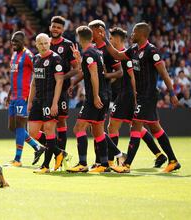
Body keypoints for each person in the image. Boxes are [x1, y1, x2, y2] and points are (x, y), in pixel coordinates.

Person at [101, 22, 181, 173]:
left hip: (149, 95)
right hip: (142, 95)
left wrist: (171, 93)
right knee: (155, 127)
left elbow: (163, 73)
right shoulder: (134, 50)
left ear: (142, 34)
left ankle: (126, 165)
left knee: (136, 126)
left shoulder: (152, 51)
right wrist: (105, 39)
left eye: (134, 33)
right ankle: (173, 160)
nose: (131, 35)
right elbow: (117, 55)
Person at [66, 26, 121, 173]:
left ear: (79, 38)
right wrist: (79, 60)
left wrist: (95, 95)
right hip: (104, 95)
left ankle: (82, 163)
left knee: (78, 128)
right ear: (91, 38)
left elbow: (95, 75)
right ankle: (104, 164)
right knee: (98, 131)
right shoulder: (96, 52)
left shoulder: (90, 53)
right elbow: (91, 71)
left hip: (94, 97)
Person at [87, 20, 126, 168]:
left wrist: (104, 76)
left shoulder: (108, 50)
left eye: (92, 30)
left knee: (96, 128)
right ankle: (105, 159)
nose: (90, 33)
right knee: (95, 129)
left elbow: (119, 72)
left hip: (103, 93)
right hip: (94, 92)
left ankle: (104, 160)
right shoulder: (94, 49)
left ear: (99, 31)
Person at [28, 33, 68, 173]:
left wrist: (55, 103)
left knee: (49, 130)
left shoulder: (56, 59)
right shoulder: (36, 58)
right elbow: (33, 83)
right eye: (41, 43)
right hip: (38, 100)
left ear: (50, 43)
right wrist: (29, 101)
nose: (43, 46)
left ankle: (45, 166)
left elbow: (60, 82)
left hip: (50, 100)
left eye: (46, 43)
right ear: (36, 45)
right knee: (32, 132)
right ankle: (58, 152)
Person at [6, 31, 46, 167]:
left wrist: (35, 93)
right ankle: (37, 147)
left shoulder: (29, 56)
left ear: (23, 42)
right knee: (13, 127)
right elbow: (14, 76)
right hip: (13, 97)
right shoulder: (14, 55)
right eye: (12, 42)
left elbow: (38, 73)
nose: (13, 44)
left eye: (16, 42)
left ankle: (17, 159)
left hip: (23, 96)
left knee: (20, 126)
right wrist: (9, 93)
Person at [49, 16, 79, 151]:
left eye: (59, 27)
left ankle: (61, 154)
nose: (55, 29)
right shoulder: (44, 43)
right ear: (50, 27)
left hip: (62, 89)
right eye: (54, 26)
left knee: (61, 120)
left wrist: (62, 78)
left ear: (63, 29)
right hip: (46, 90)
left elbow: (77, 69)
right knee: (46, 123)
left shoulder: (68, 45)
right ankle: (51, 151)